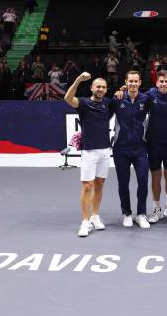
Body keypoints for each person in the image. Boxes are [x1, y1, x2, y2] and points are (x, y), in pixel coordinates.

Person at [64, 72, 113, 237]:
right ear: (92, 88)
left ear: (106, 90)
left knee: (99, 184)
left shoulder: (108, 103)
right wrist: (78, 80)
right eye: (98, 86)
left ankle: (95, 216)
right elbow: (68, 99)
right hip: (89, 151)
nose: (100, 89)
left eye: (103, 87)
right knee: (87, 186)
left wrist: (121, 90)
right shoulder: (83, 103)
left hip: (105, 150)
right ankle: (85, 222)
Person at [110, 70, 152, 229]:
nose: (133, 84)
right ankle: (127, 213)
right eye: (130, 81)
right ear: (126, 82)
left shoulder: (146, 100)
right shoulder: (117, 99)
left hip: (140, 148)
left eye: (136, 81)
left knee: (143, 180)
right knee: (123, 182)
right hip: (121, 148)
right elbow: (103, 116)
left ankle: (141, 214)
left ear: (140, 82)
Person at [143, 71, 167, 223]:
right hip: (153, 143)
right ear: (157, 83)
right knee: (155, 176)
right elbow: (134, 96)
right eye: (161, 81)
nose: (164, 84)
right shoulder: (150, 94)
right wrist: (122, 90)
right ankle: (156, 208)